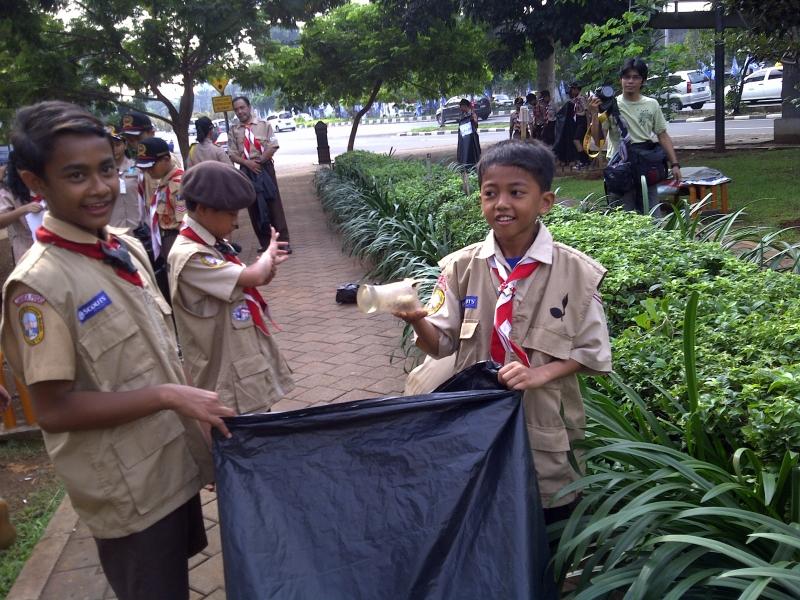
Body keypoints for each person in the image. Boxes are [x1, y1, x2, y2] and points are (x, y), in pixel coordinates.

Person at [1, 100, 234, 600]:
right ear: (35, 182)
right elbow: (53, 409)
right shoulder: (38, 286)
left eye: (106, 168)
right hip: (127, 491)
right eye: (76, 175)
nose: (100, 187)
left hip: (169, 463)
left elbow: (152, 353)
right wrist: (172, 397)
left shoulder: (121, 247)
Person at [394, 140, 611, 526]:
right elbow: (441, 344)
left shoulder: (576, 274)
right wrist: (416, 319)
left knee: (549, 513)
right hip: (473, 421)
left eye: (516, 192)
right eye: (490, 193)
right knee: (482, 511)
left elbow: (591, 350)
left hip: (542, 424)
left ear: (544, 202)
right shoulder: (459, 269)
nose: (501, 204)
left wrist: (539, 374)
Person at [168, 162, 294, 413]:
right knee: (241, 438)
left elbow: (247, 281)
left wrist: (266, 268)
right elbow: (251, 277)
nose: (236, 223)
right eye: (231, 215)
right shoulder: (191, 255)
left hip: (240, 360)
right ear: (203, 210)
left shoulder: (212, 244)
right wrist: (267, 256)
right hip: (224, 376)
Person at [588, 58, 682, 213]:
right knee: (623, 217)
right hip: (619, 168)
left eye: (636, 77)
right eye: (626, 77)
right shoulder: (610, 106)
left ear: (643, 81)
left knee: (652, 216)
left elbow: (662, 135)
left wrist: (675, 164)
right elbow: (598, 141)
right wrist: (593, 114)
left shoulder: (651, 104)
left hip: (646, 165)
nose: (630, 81)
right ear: (621, 80)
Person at [228, 96, 292, 253]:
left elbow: (273, 145)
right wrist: (248, 163)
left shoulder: (264, 125)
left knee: (273, 204)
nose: (240, 111)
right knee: (254, 206)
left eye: (242, 107)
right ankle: (265, 243)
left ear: (249, 107)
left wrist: (260, 161)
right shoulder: (234, 130)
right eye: (236, 109)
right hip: (246, 171)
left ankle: (283, 243)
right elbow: (232, 154)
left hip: (265, 169)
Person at [136, 136, 185, 262]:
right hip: (165, 239)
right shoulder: (164, 182)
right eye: (145, 167)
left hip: (176, 240)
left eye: (151, 166)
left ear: (166, 159)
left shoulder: (177, 185)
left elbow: (184, 224)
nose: (148, 171)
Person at [0, 162, 41, 264]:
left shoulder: (46, 184)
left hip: (53, 246)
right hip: (27, 250)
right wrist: (23, 209)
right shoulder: (9, 190)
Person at [106, 125, 141, 229]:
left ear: (125, 145)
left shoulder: (137, 168)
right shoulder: (99, 174)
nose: (113, 149)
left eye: (117, 145)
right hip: (112, 231)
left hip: (138, 230)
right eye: (109, 145)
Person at [569, 83, 591, 168]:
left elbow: (586, 111)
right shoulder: (576, 99)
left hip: (583, 121)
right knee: (581, 141)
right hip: (578, 121)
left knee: (576, 140)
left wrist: (588, 124)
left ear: (577, 89)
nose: (572, 91)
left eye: (573, 89)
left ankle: (584, 161)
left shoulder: (581, 98)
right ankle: (584, 162)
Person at [456, 98, 481, 169]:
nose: (460, 108)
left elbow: (476, 125)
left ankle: (473, 168)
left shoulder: (472, 114)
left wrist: (473, 120)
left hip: (472, 139)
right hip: (464, 139)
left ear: (464, 106)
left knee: (472, 154)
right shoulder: (462, 115)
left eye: (461, 106)